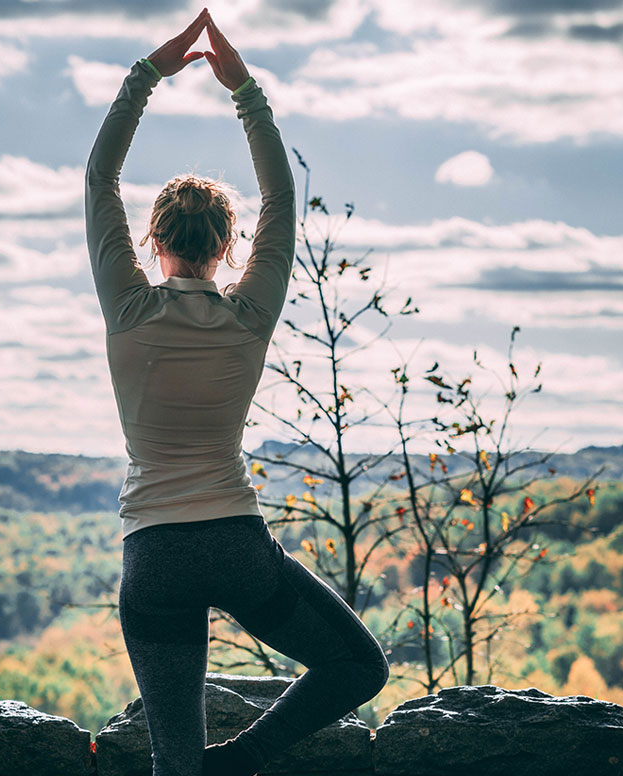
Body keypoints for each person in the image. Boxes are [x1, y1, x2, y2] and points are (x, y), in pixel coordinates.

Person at [84, 8, 389, 776]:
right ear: (229, 245)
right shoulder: (250, 315)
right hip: (236, 546)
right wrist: (244, 90)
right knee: (359, 667)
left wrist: (146, 75)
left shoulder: (129, 307)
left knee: (173, 765)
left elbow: (99, 179)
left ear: (152, 242)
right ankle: (237, 763)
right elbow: (282, 198)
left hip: (152, 556)